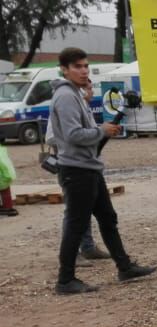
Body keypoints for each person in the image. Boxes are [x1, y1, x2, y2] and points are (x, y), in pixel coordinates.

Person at [48, 47, 155, 294]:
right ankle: (65, 281)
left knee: (108, 218)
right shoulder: (65, 96)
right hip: (77, 170)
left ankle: (124, 267)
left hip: (88, 168)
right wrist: (101, 131)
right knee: (76, 224)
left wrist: (100, 129)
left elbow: (81, 130)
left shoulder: (75, 94)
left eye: (86, 66)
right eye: (77, 66)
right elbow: (74, 135)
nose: (84, 71)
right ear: (65, 69)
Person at [46, 74, 110, 261]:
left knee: (87, 209)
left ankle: (88, 247)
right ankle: (72, 255)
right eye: (87, 89)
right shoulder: (65, 103)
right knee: (74, 212)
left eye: (91, 89)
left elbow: (90, 135)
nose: (90, 93)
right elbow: (52, 136)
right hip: (70, 164)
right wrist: (94, 134)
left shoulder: (83, 106)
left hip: (87, 164)